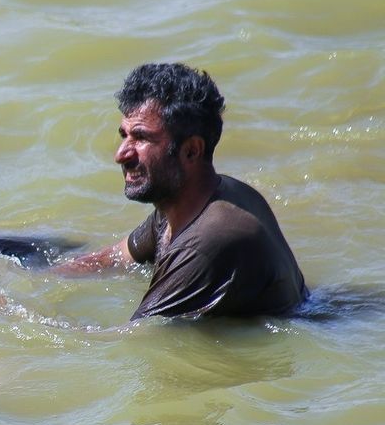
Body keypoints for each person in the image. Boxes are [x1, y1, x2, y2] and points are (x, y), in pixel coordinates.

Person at [52, 62, 309, 320]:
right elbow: (117, 256)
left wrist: (16, 319)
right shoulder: (182, 202)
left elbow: (134, 339)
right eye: (124, 136)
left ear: (191, 150)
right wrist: (33, 279)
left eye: (141, 138)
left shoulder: (209, 242)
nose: (121, 155)